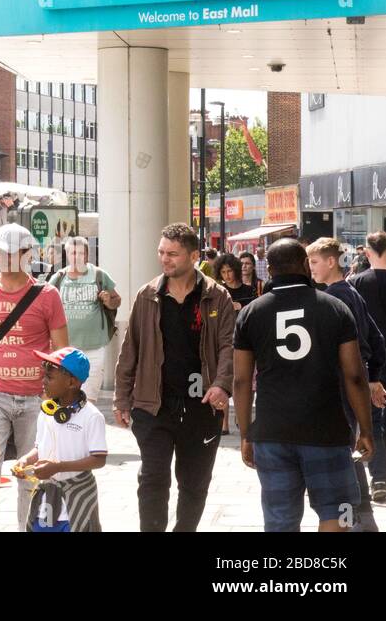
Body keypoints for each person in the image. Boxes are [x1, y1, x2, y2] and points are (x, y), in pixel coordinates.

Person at [235, 237, 373, 532]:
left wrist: (247, 433)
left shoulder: (251, 313)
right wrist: (365, 428)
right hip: (327, 429)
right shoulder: (334, 308)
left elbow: (242, 380)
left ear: (269, 270)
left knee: (280, 520)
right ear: (304, 265)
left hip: (272, 432)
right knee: (339, 514)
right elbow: (355, 375)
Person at [114, 223, 234, 532]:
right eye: (161, 252)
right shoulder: (147, 296)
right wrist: (122, 398)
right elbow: (131, 350)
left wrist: (221, 385)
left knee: (194, 483)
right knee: (153, 477)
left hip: (201, 407)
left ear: (194, 255)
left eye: (173, 254)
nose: (165, 260)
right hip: (154, 405)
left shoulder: (216, 297)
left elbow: (228, 345)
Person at [0, 223, 68, 532]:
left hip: (38, 398)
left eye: (12, 252)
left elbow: (62, 349)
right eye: (1, 252)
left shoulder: (47, 295)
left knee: (32, 476)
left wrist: (59, 396)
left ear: (27, 254)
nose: (5, 257)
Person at [307, 237, 386, 531]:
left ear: (331, 262)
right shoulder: (352, 292)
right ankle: (364, 521)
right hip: (356, 380)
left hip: (341, 385)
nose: (311, 268)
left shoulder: (334, 298)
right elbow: (377, 341)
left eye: (314, 262)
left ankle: (356, 521)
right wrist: (374, 377)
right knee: (350, 453)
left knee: (344, 456)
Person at [14, 347, 107, 532]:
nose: (44, 381)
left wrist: (59, 467)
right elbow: (40, 447)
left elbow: (99, 459)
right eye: (44, 376)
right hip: (47, 498)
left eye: (50, 377)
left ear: (72, 382)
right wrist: (26, 460)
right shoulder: (46, 412)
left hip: (77, 494)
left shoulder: (92, 416)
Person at [47, 235, 120, 402]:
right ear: (67, 254)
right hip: (65, 350)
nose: (77, 257)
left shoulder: (99, 276)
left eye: (81, 253)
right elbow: (46, 305)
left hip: (94, 349)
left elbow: (117, 300)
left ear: (86, 255)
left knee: (88, 400)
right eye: (73, 253)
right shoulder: (58, 278)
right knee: (64, 397)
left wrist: (109, 300)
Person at [353, 232, 386, 501]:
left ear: (367, 252)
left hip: (370, 362)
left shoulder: (356, 282)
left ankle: (380, 476)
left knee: (374, 419)